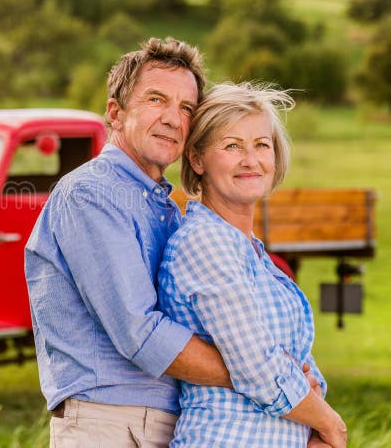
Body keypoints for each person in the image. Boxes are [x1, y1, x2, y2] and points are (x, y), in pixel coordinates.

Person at [25, 37, 234, 447]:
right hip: (108, 424)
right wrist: (254, 373)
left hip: (166, 423)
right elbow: (141, 333)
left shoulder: (169, 210)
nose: (174, 118)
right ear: (115, 113)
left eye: (187, 108)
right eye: (157, 100)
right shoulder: (91, 194)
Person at [157, 83, 347, 447]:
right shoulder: (206, 241)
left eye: (262, 144)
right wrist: (331, 424)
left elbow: (297, 361)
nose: (251, 159)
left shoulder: (250, 251)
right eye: (232, 146)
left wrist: (312, 420)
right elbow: (259, 367)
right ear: (197, 159)